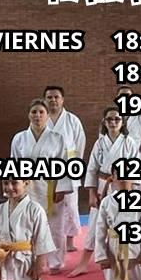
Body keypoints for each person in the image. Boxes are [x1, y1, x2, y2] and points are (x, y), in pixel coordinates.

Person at [69, 107, 140, 277]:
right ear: (104, 122)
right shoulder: (100, 143)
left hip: (123, 185)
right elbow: (92, 169)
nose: (113, 122)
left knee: (128, 222)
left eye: (117, 119)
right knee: (95, 223)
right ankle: (84, 262)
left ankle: (138, 263)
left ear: (122, 122)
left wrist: (132, 191)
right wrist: (92, 193)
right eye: (109, 119)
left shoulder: (129, 142)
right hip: (103, 185)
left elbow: (135, 168)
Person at [11, 99, 74, 274]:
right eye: (34, 112)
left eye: (41, 112)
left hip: (50, 186)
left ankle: (55, 262)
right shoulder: (19, 138)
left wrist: (61, 188)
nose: (37, 115)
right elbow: (14, 164)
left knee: (55, 226)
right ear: (28, 115)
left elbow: (64, 164)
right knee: (29, 225)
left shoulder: (57, 138)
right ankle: (30, 259)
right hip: (27, 187)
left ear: (47, 116)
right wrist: (15, 188)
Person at [93, 168, 141, 280]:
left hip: (135, 247)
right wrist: (102, 256)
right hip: (113, 249)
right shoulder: (107, 202)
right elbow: (100, 230)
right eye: (119, 175)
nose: (123, 178)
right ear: (113, 178)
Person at [43, 86, 86, 254]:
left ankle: (70, 240)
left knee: (71, 206)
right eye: (49, 97)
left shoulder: (72, 120)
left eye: (56, 97)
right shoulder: (41, 118)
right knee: (47, 206)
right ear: (45, 100)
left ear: (62, 99)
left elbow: (80, 144)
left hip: (69, 167)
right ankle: (47, 241)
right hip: (46, 169)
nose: (53, 100)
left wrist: (75, 166)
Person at [115, 85, 141, 162]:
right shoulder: (108, 120)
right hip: (115, 159)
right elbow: (103, 141)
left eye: (128, 95)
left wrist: (139, 154)